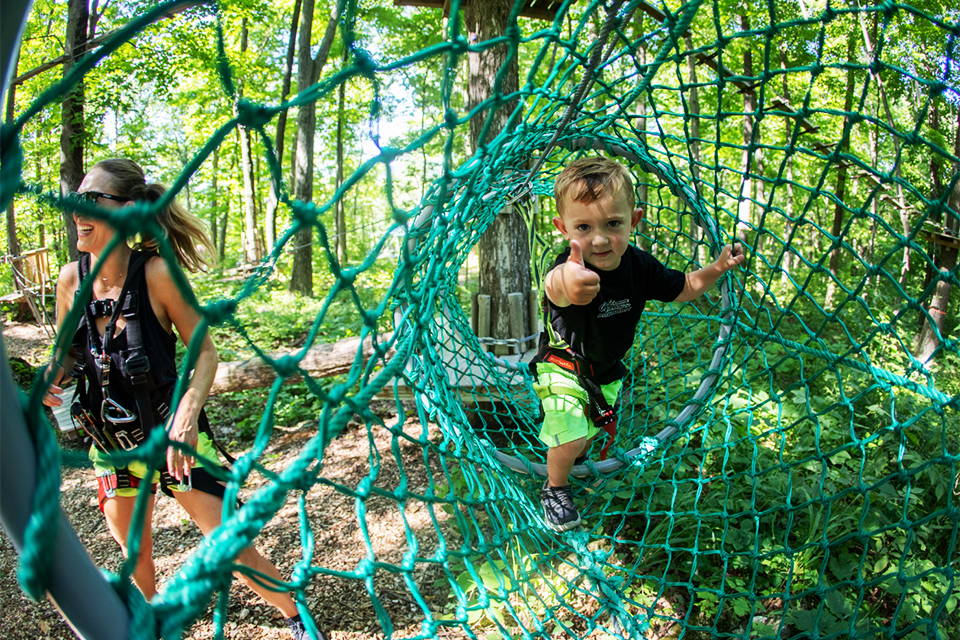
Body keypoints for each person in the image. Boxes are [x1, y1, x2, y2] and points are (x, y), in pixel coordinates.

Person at [43, 158, 321, 640]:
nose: (76, 209)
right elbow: (68, 349)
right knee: (137, 553)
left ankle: (296, 619)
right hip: (110, 443)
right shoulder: (71, 280)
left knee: (230, 546)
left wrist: (188, 413)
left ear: (127, 212)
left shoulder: (157, 274)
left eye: (92, 199)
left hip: (173, 437)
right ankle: (151, 620)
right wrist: (55, 373)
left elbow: (206, 353)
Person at [531, 156, 744, 532]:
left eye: (613, 224)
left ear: (634, 221)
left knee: (579, 442)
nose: (598, 238)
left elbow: (685, 288)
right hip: (563, 365)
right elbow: (556, 286)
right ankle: (554, 488)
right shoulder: (569, 265)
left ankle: (561, 443)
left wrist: (718, 267)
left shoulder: (640, 265)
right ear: (563, 229)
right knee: (572, 435)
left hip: (607, 373)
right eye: (583, 226)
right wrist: (570, 283)